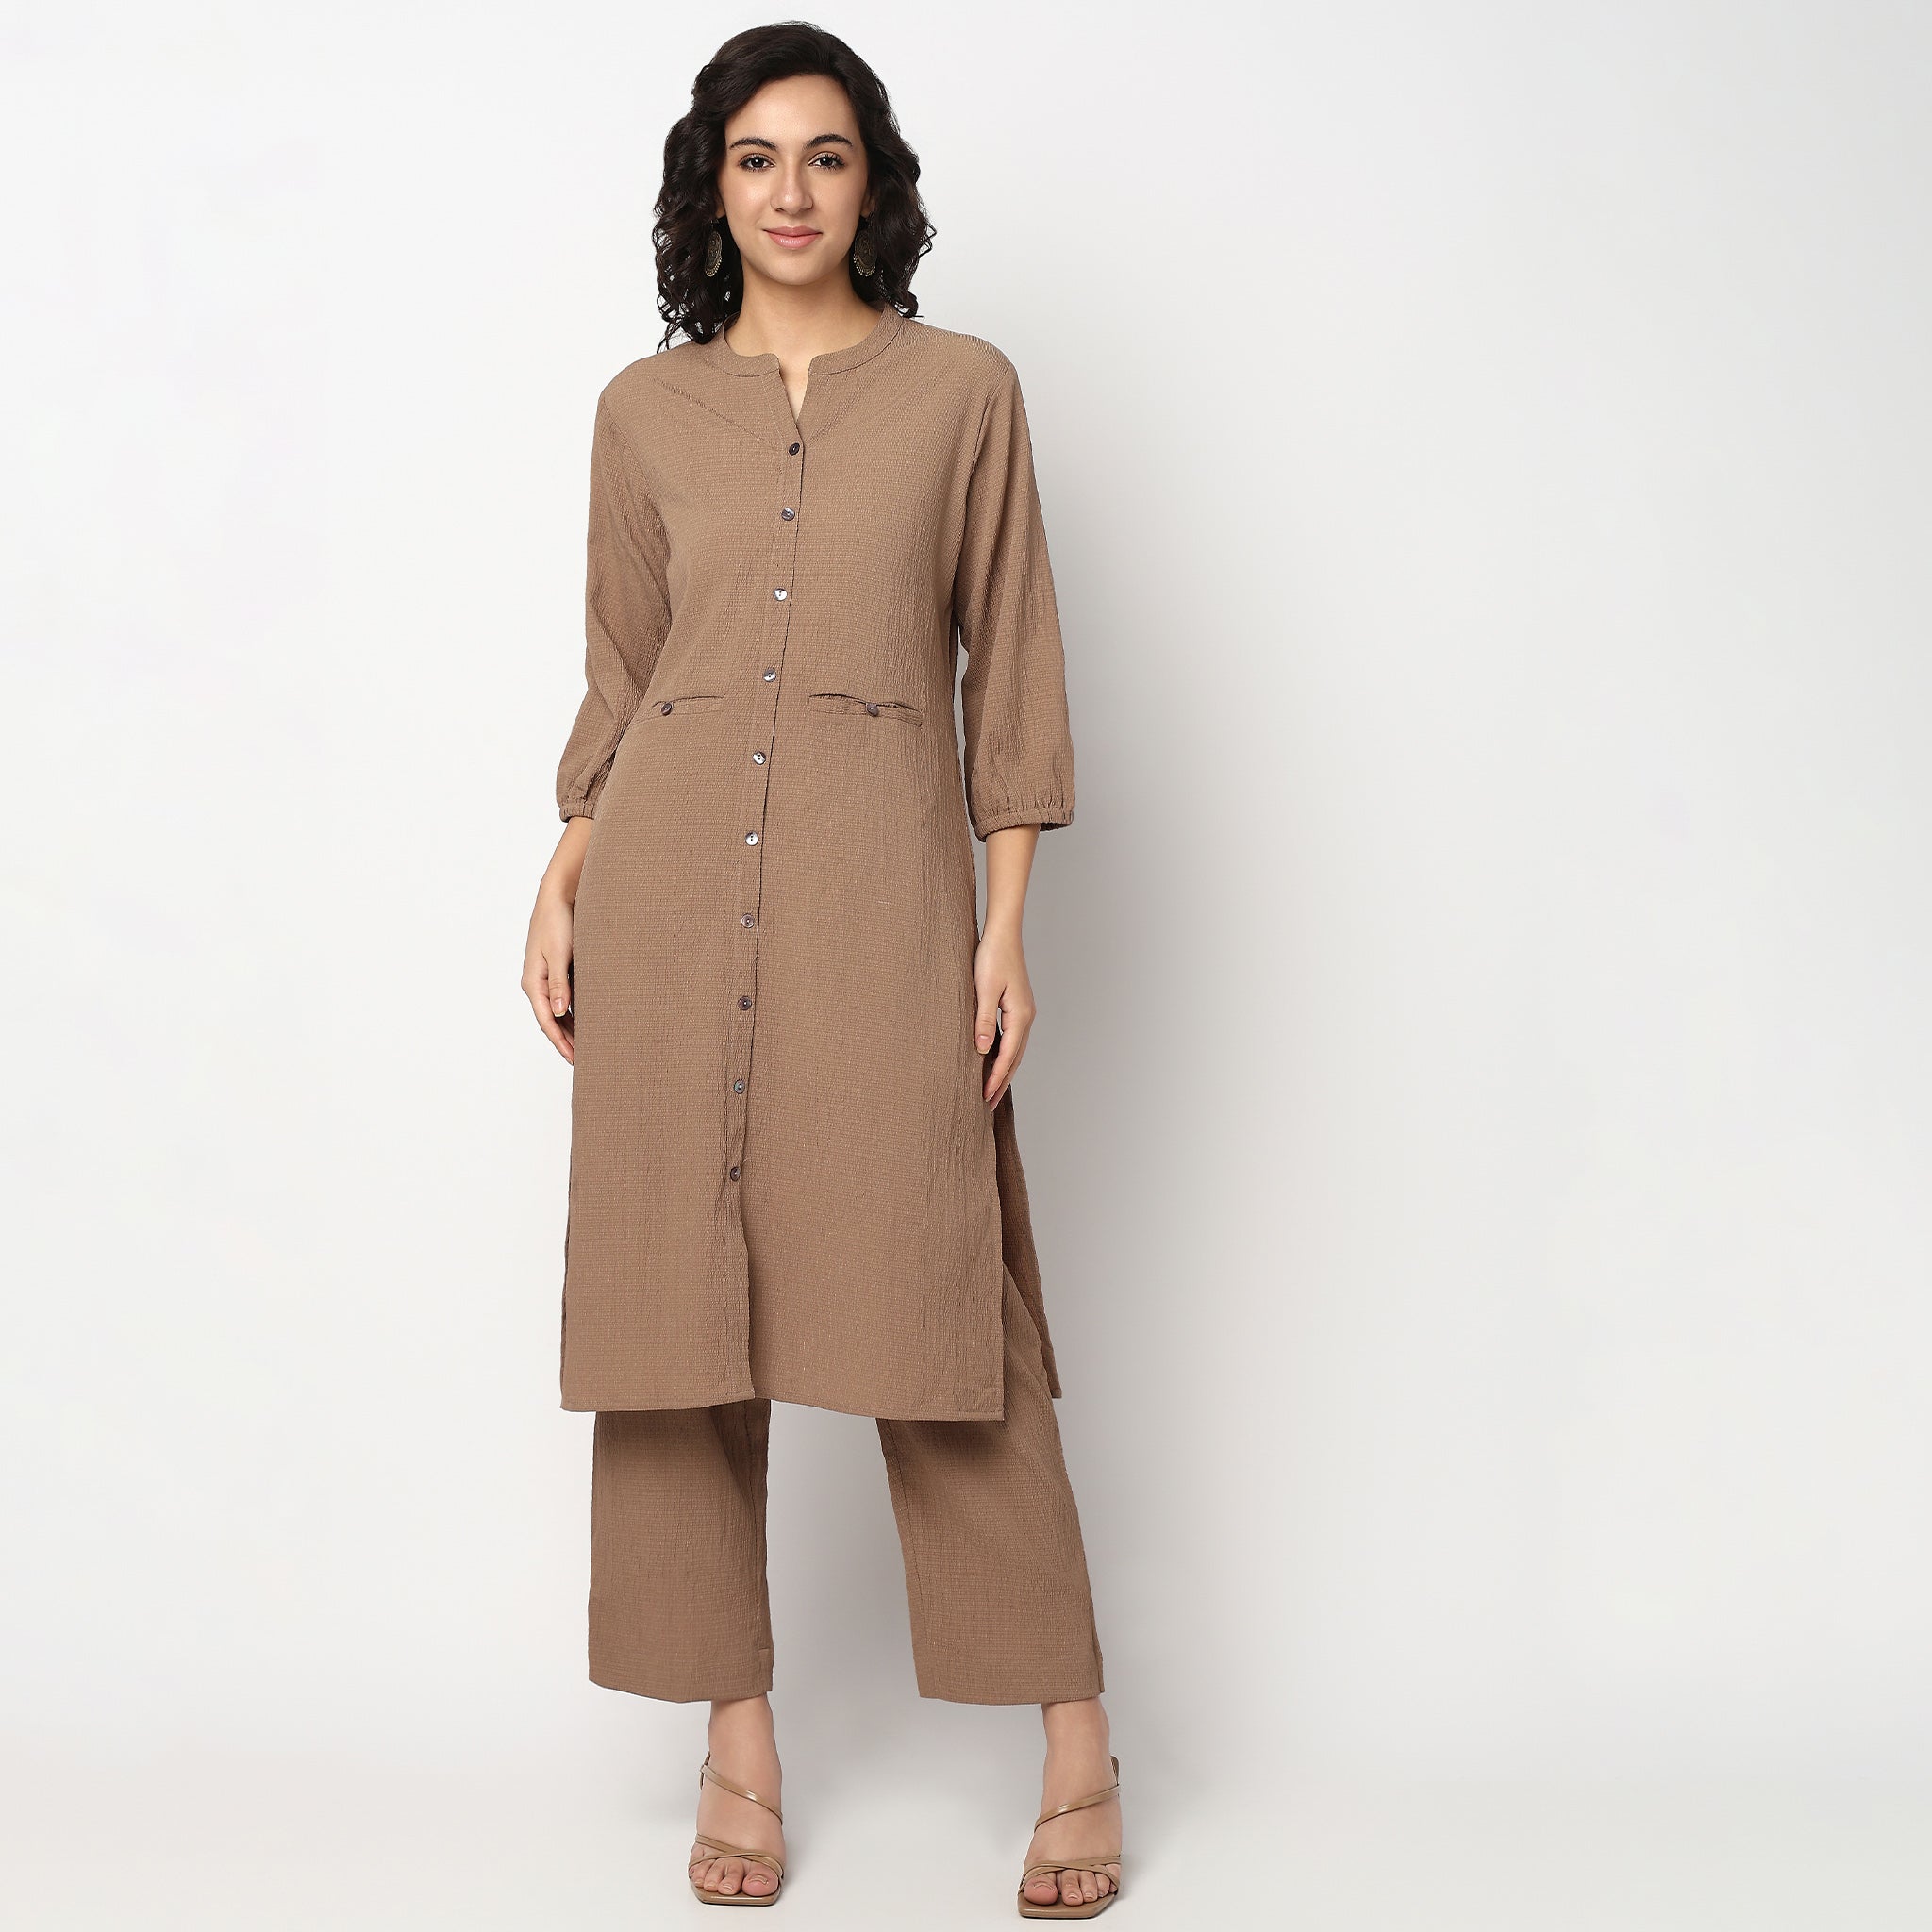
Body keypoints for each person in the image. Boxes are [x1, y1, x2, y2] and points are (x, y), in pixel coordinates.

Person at [521, 23, 1122, 1918]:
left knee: (946, 1315)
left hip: (882, 898)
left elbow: (1010, 661)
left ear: (876, 184)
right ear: (713, 187)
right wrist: (563, 874)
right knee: (677, 1323)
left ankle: (1079, 1744)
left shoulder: (962, 394)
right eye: (757, 158)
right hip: (667, 893)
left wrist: (1004, 926)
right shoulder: (642, 412)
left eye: (828, 155)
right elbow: (626, 675)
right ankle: (738, 1747)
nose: (792, 192)